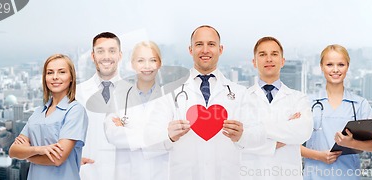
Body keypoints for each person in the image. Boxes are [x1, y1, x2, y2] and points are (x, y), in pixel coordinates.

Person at [145, 25, 265, 180]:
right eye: (199, 44)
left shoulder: (240, 93)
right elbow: (148, 139)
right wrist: (168, 136)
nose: (205, 50)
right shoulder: (169, 92)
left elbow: (260, 136)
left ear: (220, 49)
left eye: (211, 44)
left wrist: (242, 135)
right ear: (191, 50)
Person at [301, 44, 372, 179]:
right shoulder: (307, 102)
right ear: (321, 67)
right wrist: (319, 156)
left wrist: (351, 143)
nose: (335, 70)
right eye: (329, 65)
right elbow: (288, 144)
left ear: (347, 67)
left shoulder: (359, 105)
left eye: (341, 65)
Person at [240, 37, 313, 180]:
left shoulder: (298, 98)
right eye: (262, 54)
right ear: (254, 62)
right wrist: (284, 133)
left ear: (282, 61)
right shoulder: (241, 99)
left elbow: (304, 132)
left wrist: (254, 130)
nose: (268, 59)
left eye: (274, 54)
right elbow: (238, 142)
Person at [9, 54, 88, 180]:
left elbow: (57, 159)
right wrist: (39, 149)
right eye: (50, 73)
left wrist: (27, 154)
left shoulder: (74, 110)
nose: (55, 77)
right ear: (45, 78)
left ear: (71, 77)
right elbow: (13, 151)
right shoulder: (37, 113)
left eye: (62, 72)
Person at [103, 41, 168, 180]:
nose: (147, 66)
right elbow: (112, 134)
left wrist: (127, 132)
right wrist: (155, 137)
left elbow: (170, 140)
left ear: (160, 64)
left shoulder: (170, 98)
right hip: (127, 174)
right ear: (132, 64)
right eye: (140, 61)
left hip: (160, 173)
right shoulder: (118, 96)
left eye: (153, 60)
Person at [76, 32, 132, 180]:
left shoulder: (134, 94)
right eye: (100, 51)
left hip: (124, 173)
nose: (106, 57)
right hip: (87, 173)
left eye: (112, 51)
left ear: (120, 55)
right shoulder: (77, 93)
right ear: (93, 56)